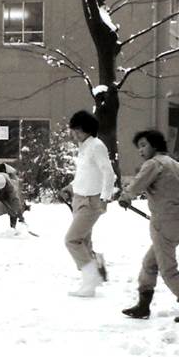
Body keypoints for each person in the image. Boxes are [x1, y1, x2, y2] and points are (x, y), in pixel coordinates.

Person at [118, 130, 179, 323]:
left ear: (155, 145)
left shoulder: (154, 164)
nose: (140, 150)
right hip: (178, 223)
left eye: (143, 145)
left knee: (168, 270)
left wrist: (125, 196)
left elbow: (138, 184)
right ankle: (143, 306)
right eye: (138, 146)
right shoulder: (176, 165)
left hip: (163, 223)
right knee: (150, 263)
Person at [61, 110, 115, 298]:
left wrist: (105, 198)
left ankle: (91, 279)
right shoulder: (84, 147)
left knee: (72, 240)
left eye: (76, 130)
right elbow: (85, 175)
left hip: (91, 201)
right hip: (79, 198)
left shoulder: (96, 146)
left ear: (86, 130)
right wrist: (70, 187)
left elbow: (109, 173)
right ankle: (93, 274)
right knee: (83, 241)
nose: (73, 134)